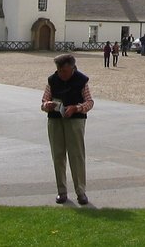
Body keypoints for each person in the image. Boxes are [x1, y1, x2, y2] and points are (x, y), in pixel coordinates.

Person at [40, 53, 93, 206]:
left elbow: (89, 102)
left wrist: (77, 108)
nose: (62, 74)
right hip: (55, 121)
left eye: (65, 71)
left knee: (76, 156)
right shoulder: (52, 80)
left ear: (72, 68)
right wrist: (47, 105)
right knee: (58, 156)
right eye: (60, 71)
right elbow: (43, 101)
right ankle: (61, 191)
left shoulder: (81, 80)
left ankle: (81, 192)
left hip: (75, 121)